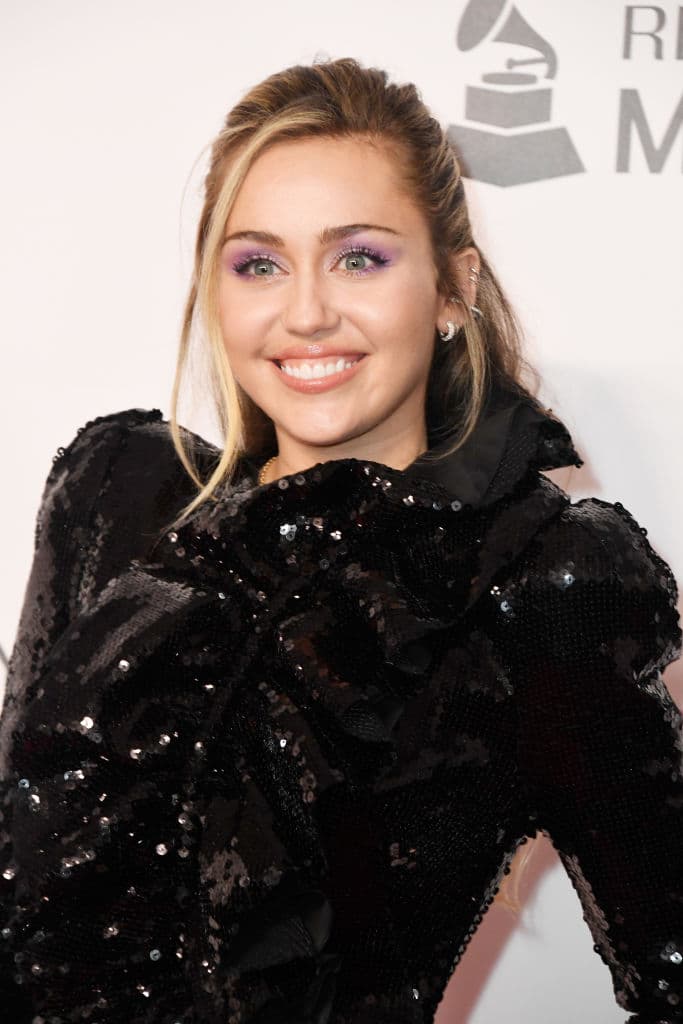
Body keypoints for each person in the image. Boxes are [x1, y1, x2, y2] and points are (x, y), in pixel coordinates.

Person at [0, 56, 681, 1024]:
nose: (307, 312)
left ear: (452, 288)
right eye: (258, 264)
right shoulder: (116, 490)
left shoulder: (541, 581)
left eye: (359, 258)